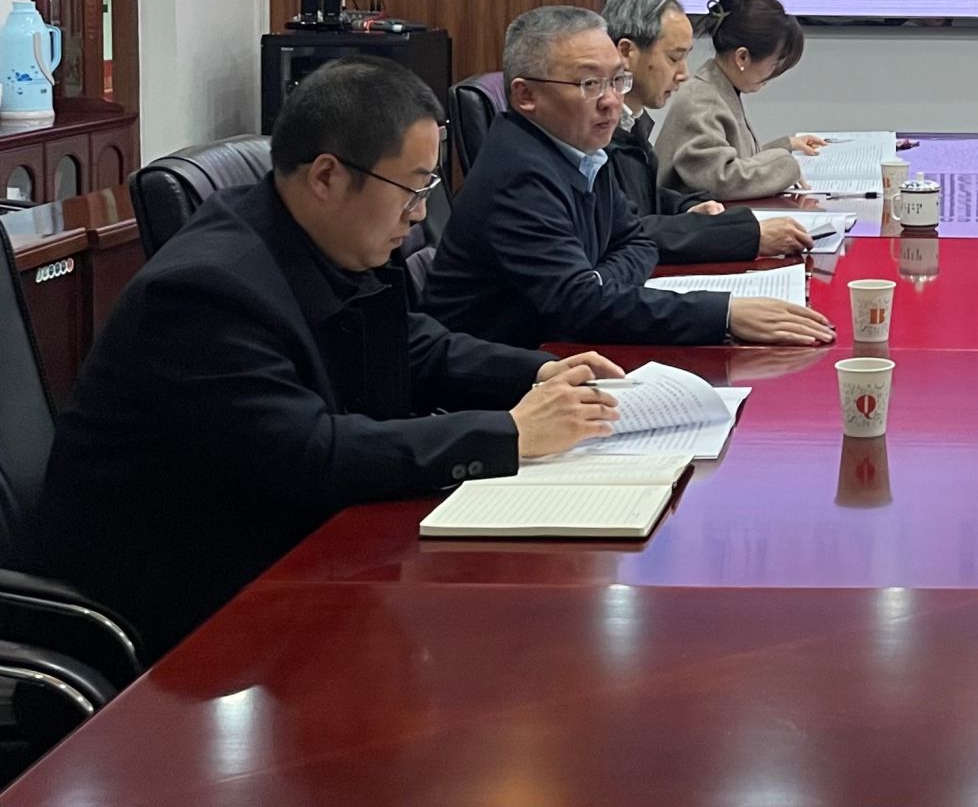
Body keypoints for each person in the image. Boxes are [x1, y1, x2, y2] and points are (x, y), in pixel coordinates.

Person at [27, 58, 625, 658]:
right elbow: (308, 454)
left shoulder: (317, 236)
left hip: (293, 559)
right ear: (327, 176)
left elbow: (406, 343)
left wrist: (536, 372)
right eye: (413, 188)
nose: (420, 213)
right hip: (182, 620)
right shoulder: (205, 291)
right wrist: (510, 433)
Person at [422, 6, 834, 349]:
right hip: (506, 378)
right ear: (526, 95)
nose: (611, 102)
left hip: (561, 351)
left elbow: (636, 242)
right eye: (589, 84)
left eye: (617, 81)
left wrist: (600, 277)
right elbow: (582, 305)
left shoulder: (582, 149)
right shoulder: (519, 175)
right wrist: (724, 314)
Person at [602, 0, 813, 261]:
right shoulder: (594, 136)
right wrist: (745, 235)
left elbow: (646, 201)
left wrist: (689, 208)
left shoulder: (632, 123)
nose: (683, 73)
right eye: (674, 58)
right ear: (626, 52)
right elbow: (625, 230)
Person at [656, 0, 827, 201]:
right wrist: (786, 165)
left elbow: (737, 160)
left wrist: (787, 145)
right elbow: (719, 179)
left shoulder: (718, 88)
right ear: (742, 57)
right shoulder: (703, 101)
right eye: (775, 64)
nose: (773, 75)